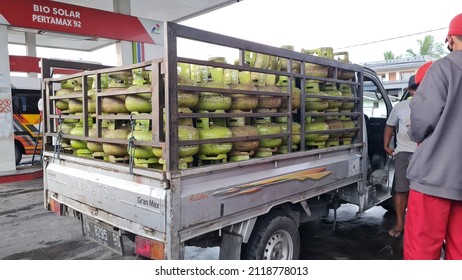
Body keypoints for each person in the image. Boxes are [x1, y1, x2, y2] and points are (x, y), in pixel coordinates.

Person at [404, 13, 462, 260]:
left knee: (422, 253)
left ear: (450, 38)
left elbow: (421, 121)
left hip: (433, 178)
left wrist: (415, 133)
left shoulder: (444, 68)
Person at [383, 75, 418, 239]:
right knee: (401, 190)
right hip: (404, 152)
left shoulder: (435, 106)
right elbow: (390, 124)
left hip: (425, 153)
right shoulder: (400, 107)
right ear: (409, 90)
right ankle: (399, 223)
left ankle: (417, 225)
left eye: (421, 88)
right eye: (415, 88)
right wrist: (386, 145)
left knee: (422, 193)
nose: (417, 91)